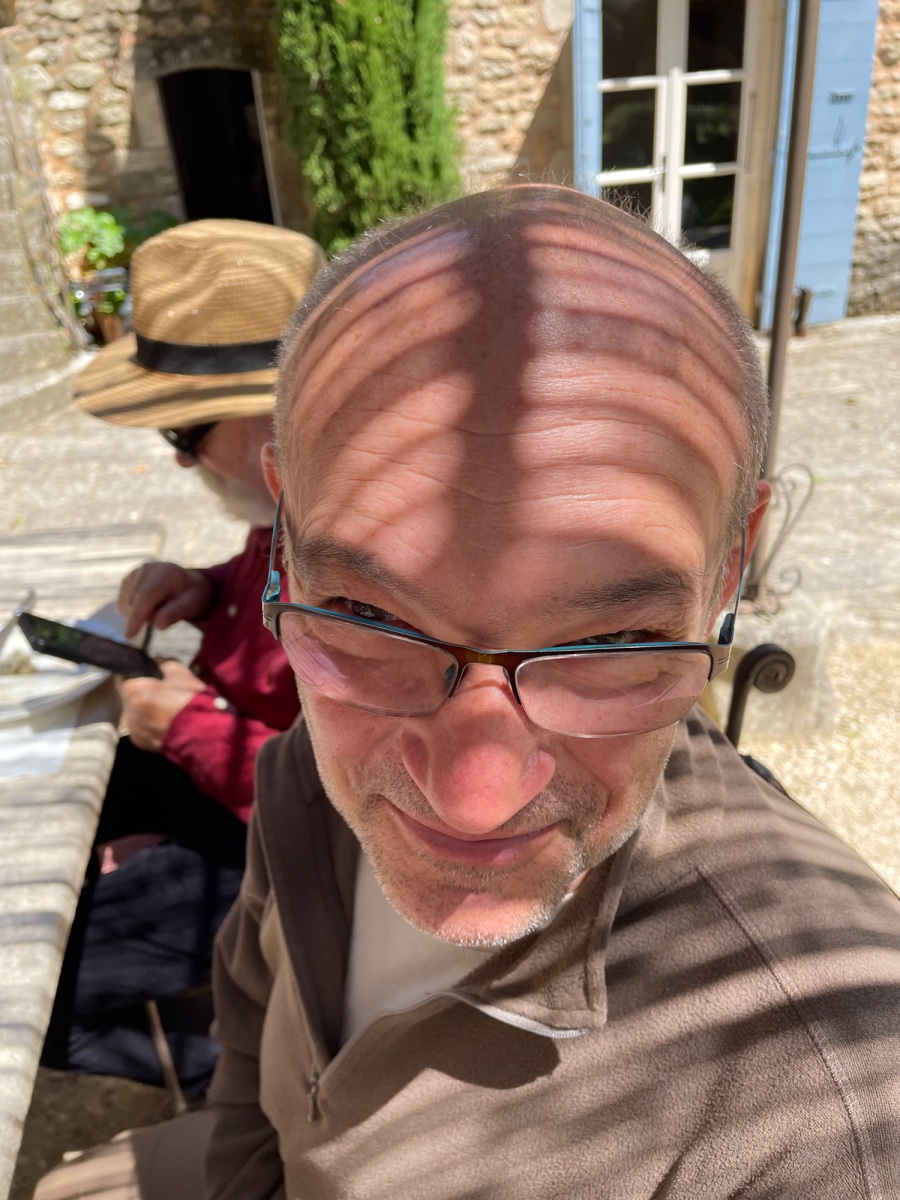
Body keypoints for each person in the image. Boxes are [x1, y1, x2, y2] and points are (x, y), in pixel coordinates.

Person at [35, 187, 900, 1199]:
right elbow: (249, 1045)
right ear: (285, 535)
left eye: (610, 640)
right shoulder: (303, 772)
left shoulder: (831, 1127)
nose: (473, 799)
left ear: (730, 566)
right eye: (367, 611)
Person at [40, 219, 324, 1095]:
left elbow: (347, 811)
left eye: (186, 430)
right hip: (229, 790)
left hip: (279, 854)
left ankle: (262, 1082)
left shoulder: (356, 553)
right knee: (57, 801)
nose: (178, 460)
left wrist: (190, 726)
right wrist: (204, 587)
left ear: (281, 408)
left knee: (36, 990)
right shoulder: (295, 499)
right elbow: (261, 571)